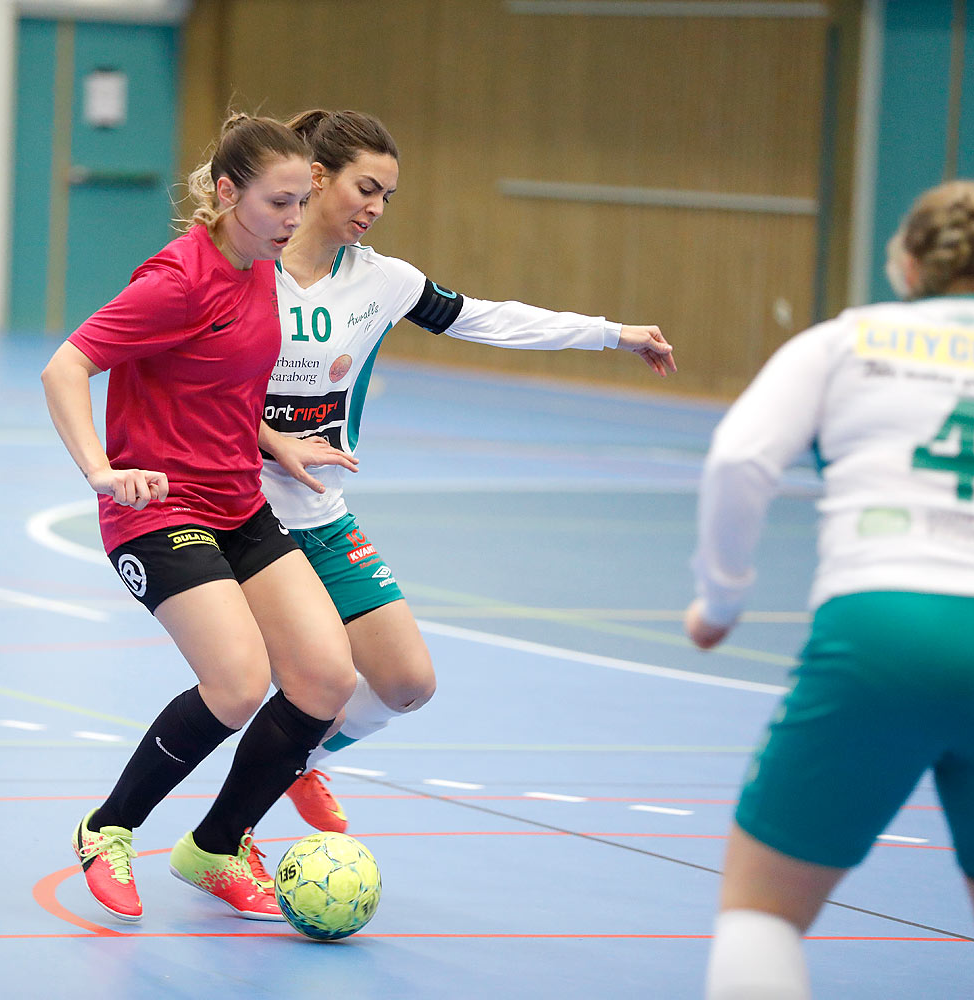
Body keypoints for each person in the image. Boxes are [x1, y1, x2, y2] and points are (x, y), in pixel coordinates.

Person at [685, 179, 974, 999]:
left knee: (762, 911)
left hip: (881, 624)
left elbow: (741, 458)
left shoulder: (846, 342)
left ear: (906, 262)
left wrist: (722, 601)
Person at [256, 109, 677, 833]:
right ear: (316, 177)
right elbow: (190, 391)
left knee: (406, 684)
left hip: (323, 515)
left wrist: (613, 335)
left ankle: (297, 762)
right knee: (309, 685)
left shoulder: (384, 283)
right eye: (366, 188)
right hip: (245, 516)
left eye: (388, 196)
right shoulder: (247, 272)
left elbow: (490, 318)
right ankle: (229, 832)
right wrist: (271, 443)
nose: (376, 209)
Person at [40, 113, 357, 923]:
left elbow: (213, 382)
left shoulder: (260, 265)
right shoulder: (178, 280)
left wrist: (273, 441)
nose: (294, 222)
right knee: (239, 681)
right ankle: (108, 828)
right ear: (227, 194)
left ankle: (216, 846)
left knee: (326, 679)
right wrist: (102, 473)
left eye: (300, 204)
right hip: (159, 510)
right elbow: (66, 364)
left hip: (238, 501)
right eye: (280, 204)